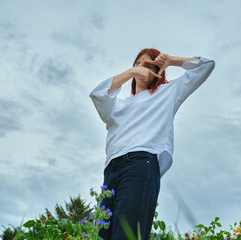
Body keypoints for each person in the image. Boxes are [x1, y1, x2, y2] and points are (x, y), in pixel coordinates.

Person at [89, 48, 215, 240]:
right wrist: (131, 72)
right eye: (137, 64)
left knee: (127, 234)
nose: (141, 68)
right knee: (102, 235)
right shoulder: (118, 105)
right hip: (111, 170)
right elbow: (97, 94)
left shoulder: (167, 93)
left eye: (148, 64)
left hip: (140, 165)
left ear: (157, 69)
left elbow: (206, 66)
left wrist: (171, 60)